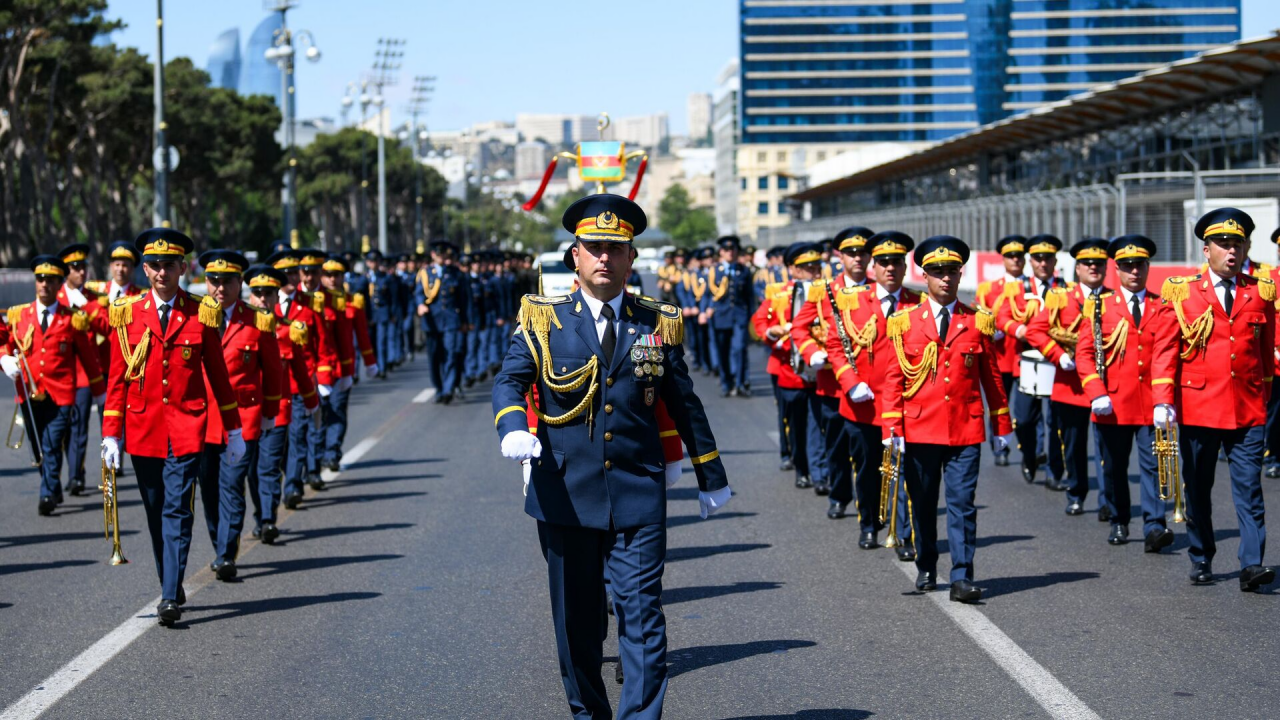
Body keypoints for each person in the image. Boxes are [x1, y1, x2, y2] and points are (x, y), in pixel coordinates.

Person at [493, 194, 731, 719]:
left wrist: (709, 473)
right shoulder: (542, 318)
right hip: (566, 493)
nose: (605, 258)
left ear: (631, 260)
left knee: (643, 615)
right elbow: (511, 380)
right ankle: (590, 715)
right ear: (574, 256)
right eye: (594, 248)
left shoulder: (656, 321)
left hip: (637, 491)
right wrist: (513, 426)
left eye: (616, 249)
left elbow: (682, 402)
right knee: (578, 624)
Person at [100, 228, 245, 626]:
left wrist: (233, 431)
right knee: (154, 510)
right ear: (145, 269)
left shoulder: (201, 313)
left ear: (184, 267)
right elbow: (116, 380)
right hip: (143, 430)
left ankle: (168, 596)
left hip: (186, 428)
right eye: (155, 265)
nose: (162, 271)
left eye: (170, 265)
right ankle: (171, 579)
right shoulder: (127, 313)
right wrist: (111, 433)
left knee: (178, 510)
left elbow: (218, 377)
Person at [1149, 207, 1276, 591]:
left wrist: (1263, 401)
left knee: (1249, 489)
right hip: (1199, 408)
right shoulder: (1182, 291)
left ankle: (1251, 563)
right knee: (1198, 487)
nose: (1231, 252)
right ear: (1207, 251)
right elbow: (1165, 351)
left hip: (1248, 409)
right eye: (1223, 245)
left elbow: (1266, 355)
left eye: (1237, 244)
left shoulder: (1260, 291)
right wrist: (1161, 400)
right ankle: (1202, 554)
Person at [881, 236, 1012, 603]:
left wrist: (1002, 426)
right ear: (924, 276)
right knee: (922, 503)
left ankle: (961, 577)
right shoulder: (904, 322)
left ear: (960, 274)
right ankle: (926, 564)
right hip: (919, 428)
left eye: (951, 272)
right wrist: (891, 430)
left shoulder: (977, 321)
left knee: (962, 503)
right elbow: (893, 379)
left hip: (964, 428)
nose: (945, 279)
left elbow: (992, 378)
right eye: (937, 273)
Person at [823, 231, 921, 555]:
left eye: (896, 262)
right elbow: (836, 346)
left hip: (905, 407)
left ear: (905, 267)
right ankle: (868, 523)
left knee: (904, 472)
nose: (890, 268)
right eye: (883, 262)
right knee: (867, 471)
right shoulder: (853, 301)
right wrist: (851, 382)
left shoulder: (917, 304)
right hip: (863, 405)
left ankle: (903, 534)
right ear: (873, 267)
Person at [194, 250, 283, 581]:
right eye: (213, 281)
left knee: (231, 485)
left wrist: (270, 414)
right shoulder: (194, 316)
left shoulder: (257, 320)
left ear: (239, 283)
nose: (220, 288)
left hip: (243, 420)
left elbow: (273, 372)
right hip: (202, 422)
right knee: (209, 489)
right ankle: (220, 539)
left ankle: (225, 552)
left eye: (227, 281)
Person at [1074, 235, 1167, 549]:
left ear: (1148, 266)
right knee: (1114, 467)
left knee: (1154, 464)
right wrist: (1096, 392)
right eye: (1127, 266)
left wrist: (1167, 400)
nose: (1134, 272)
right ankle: (1119, 519)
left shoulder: (1161, 305)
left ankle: (1155, 525)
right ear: (1117, 269)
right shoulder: (1100, 307)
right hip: (1112, 404)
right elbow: (1084, 355)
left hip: (1152, 404)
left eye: (1139, 265)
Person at [2, 255, 106, 515]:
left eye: (50, 280)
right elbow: (7, 343)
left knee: (52, 442)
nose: (44, 285)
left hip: (61, 393)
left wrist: (99, 393)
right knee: (37, 446)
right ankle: (52, 484)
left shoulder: (72, 319)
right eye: (40, 279)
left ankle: (47, 493)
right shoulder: (19, 315)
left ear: (59, 284)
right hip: (28, 391)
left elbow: (88, 358)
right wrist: (4, 358)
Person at [1026, 238, 1110, 515]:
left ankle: (1108, 500)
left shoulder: (1114, 299)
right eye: (1087, 263)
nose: (1093, 268)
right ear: (1078, 268)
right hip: (1071, 386)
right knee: (1073, 446)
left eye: (1099, 263)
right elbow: (1034, 331)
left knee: (1107, 448)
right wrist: (1057, 355)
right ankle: (1076, 492)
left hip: (1107, 386)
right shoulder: (1061, 298)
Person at [791, 226, 873, 499]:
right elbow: (799, 328)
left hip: (871, 383)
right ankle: (839, 495)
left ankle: (872, 504)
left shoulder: (878, 289)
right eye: (851, 253)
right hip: (833, 382)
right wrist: (812, 352)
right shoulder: (824, 290)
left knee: (869, 448)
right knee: (836, 445)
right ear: (840, 256)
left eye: (862, 252)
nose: (857, 258)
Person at [243, 264, 318, 544]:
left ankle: (268, 520)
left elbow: (299, 367)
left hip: (278, 411)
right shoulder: (238, 328)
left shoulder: (288, 330)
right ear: (250, 296)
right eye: (257, 293)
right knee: (250, 470)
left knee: (269, 467)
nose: (263, 299)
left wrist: (311, 401)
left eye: (268, 294)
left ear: (277, 297)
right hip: (246, 413)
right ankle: (259, 513)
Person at [997, 235, 1067, 488]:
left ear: (1055, 260)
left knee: (1057, 420)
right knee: (1024, 418)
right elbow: (1001, 319)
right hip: (1027, 361)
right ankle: (1028, 455)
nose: (1043, 263)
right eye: (1038, 259)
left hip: (1059, 361)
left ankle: (1054, 473)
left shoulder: (1065, 288)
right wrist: (1021, 331)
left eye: (1047, 258)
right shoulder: (1016, 289)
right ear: (1030, 261)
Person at [752, 242, 821, 490]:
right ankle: (797, 463)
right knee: (793, 421)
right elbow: (759, 322)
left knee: (821, 423)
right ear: (793, 269)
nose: (813, 271)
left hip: (822, 369)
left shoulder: (829, 292)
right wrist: (772, 332)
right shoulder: (779, 294)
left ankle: (820, 472)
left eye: (816, 266)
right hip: (787, 367)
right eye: (806, 267)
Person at [266, 249, 324, 510]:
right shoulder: (265, 305)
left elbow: (321, 345)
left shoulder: (310, 306)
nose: (290, 277)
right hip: (272, 389)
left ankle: (292, 487)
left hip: (299, 385)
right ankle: (287, 478)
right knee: (277, 444)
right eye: (284, 273)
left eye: (293, 272)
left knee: (298, 435)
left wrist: (322, 377)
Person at [54, 243, 108, 496]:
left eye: (83, 267)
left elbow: (106, 327)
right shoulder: (54, 297)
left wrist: (84, 306)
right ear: (66, 272)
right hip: (57, 375)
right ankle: (58, 474)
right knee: (58, 430)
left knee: (78, 428)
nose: (81, 272)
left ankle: (75, 475)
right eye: (76, 268)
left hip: (85, 375)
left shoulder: (91, 298)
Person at [297, 249, 353, 489]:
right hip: (296, 375)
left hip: (326, 372)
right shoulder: (291, 299)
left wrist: (347, 372)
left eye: (314, 272)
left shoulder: (333, 300)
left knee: (320, 420)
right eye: (305, 272)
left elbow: (342, 340)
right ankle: (299, 471)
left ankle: (315, 467)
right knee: (300, 427)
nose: (309, 277)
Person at [321, 254, 377, 469]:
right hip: (319, 368)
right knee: (321, 413)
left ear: (344, 276)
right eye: (327, 275)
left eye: (336, 275)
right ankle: (316, 457)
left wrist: (369, 362)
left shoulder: (353, 301)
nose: (332, 280)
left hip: (344, 368)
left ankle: (332, 451)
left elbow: (362, 335)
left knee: (338, 409)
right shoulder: (315, 301)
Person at [976, 236, 1027, 467]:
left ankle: (1030, 451)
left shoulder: (1032, 287)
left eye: (1019, 256)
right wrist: (990, 332)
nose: (1015, 260)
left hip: (1027, 356)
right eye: (1010, 256)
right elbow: (979, 318)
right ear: (1003, 259)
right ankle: (1001, 446)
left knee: (1029, 412)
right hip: (1000, 356)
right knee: (999, 404)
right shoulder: (988, 289)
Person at [416, 241, 470, 404]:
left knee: (451, 354)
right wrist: (420, 305)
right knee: (434, 357)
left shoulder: (456, 274)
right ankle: (439, 388)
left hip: (451, 321)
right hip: (432, 321)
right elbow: (419, 293)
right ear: (433, 255)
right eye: (439, 254)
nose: (442, 257)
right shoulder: (425, 273)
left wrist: (465, 321)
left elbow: (463, 300)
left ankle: (448, 389)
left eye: (444, 255)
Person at [706, 235, 754, 397]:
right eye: (726, 250)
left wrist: (751, 316)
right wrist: (707, 309)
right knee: (723, 350)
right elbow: (708, 294)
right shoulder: (714, 271)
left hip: (739, 316)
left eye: (732, 249)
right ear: (721, 252)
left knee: (740, 349)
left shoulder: (743, 270)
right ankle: (727, 382)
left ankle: (740, 383)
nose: (730, 253)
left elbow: (749, 296)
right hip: (721, 316)